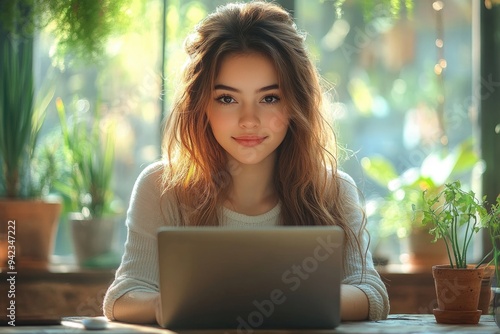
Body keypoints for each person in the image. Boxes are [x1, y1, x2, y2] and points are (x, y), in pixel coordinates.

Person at [103, 0, 390, 325]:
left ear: (296, 103)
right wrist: (176, 304)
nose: (249, 120)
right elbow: (123, 296)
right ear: (201, 105)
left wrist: (265, 301)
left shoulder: (333, 189)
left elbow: (371, 293)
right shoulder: (160, 187)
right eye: (227, 98)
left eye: (270, 98)